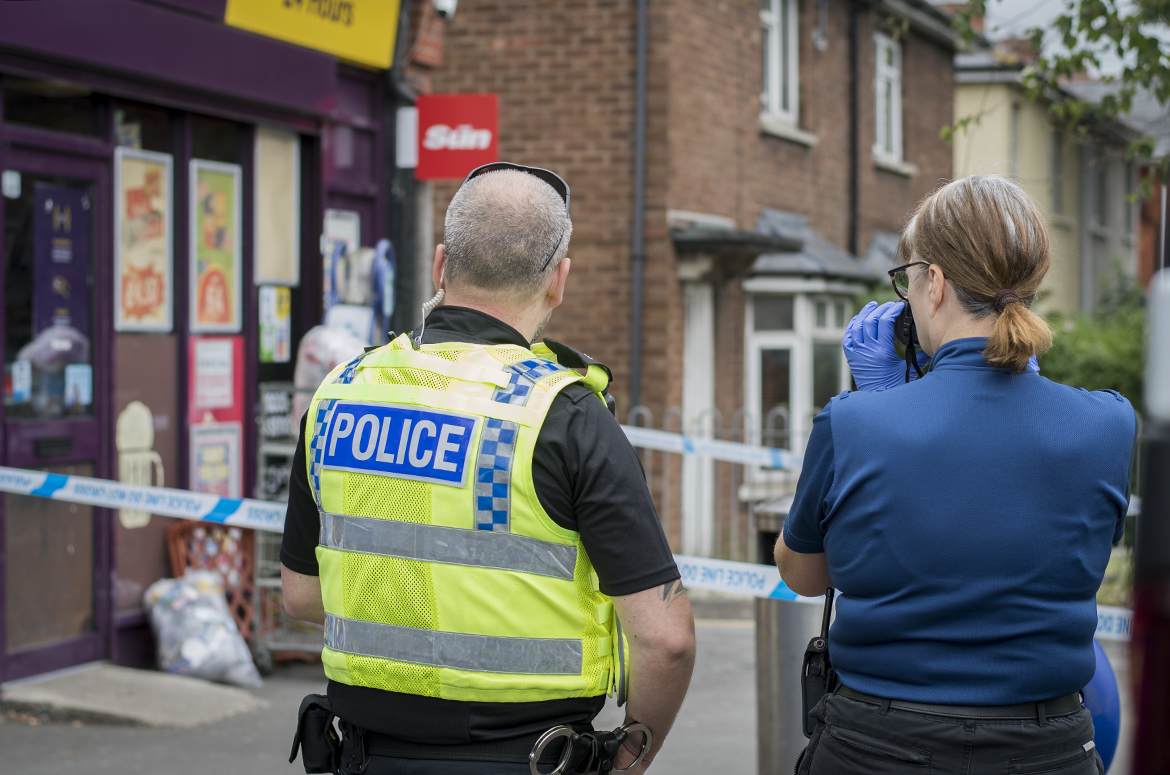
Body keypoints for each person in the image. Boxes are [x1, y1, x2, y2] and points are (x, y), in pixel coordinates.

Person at [281, 162, 696, 775]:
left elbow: (301, 594)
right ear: (559, 280)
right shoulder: (566, 414)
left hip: (364, 754)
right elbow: (667, 640)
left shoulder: (341, 392)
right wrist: (634, 753)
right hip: (528, 756)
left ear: (441, 265)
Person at [777, 175, 1135, 775]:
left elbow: (804, 574)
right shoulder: (1108, 424)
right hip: (1046, 747)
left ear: (935, 283)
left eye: (907, 280)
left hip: (876, 745)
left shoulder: (854, 423)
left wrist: (888, 407)